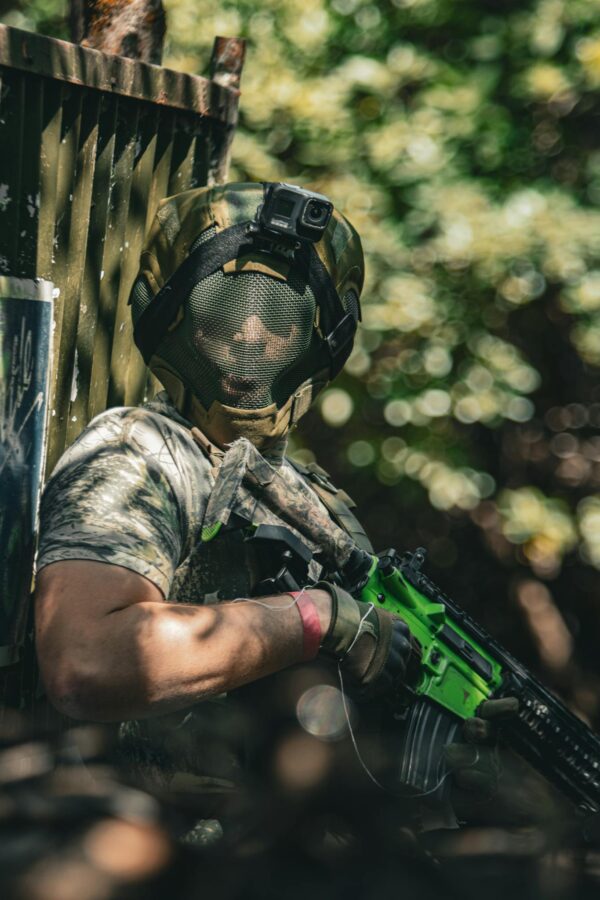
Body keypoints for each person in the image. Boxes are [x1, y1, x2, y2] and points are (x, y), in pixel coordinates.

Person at [34, 182, 531, 850]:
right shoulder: (139, 452)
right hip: (162, 859)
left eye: (281, 315)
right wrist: (317, 620)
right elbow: (86, 661)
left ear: (319, 337)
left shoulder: (310, 495)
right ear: (177, 316)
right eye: (224, 307)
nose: (250, 333)